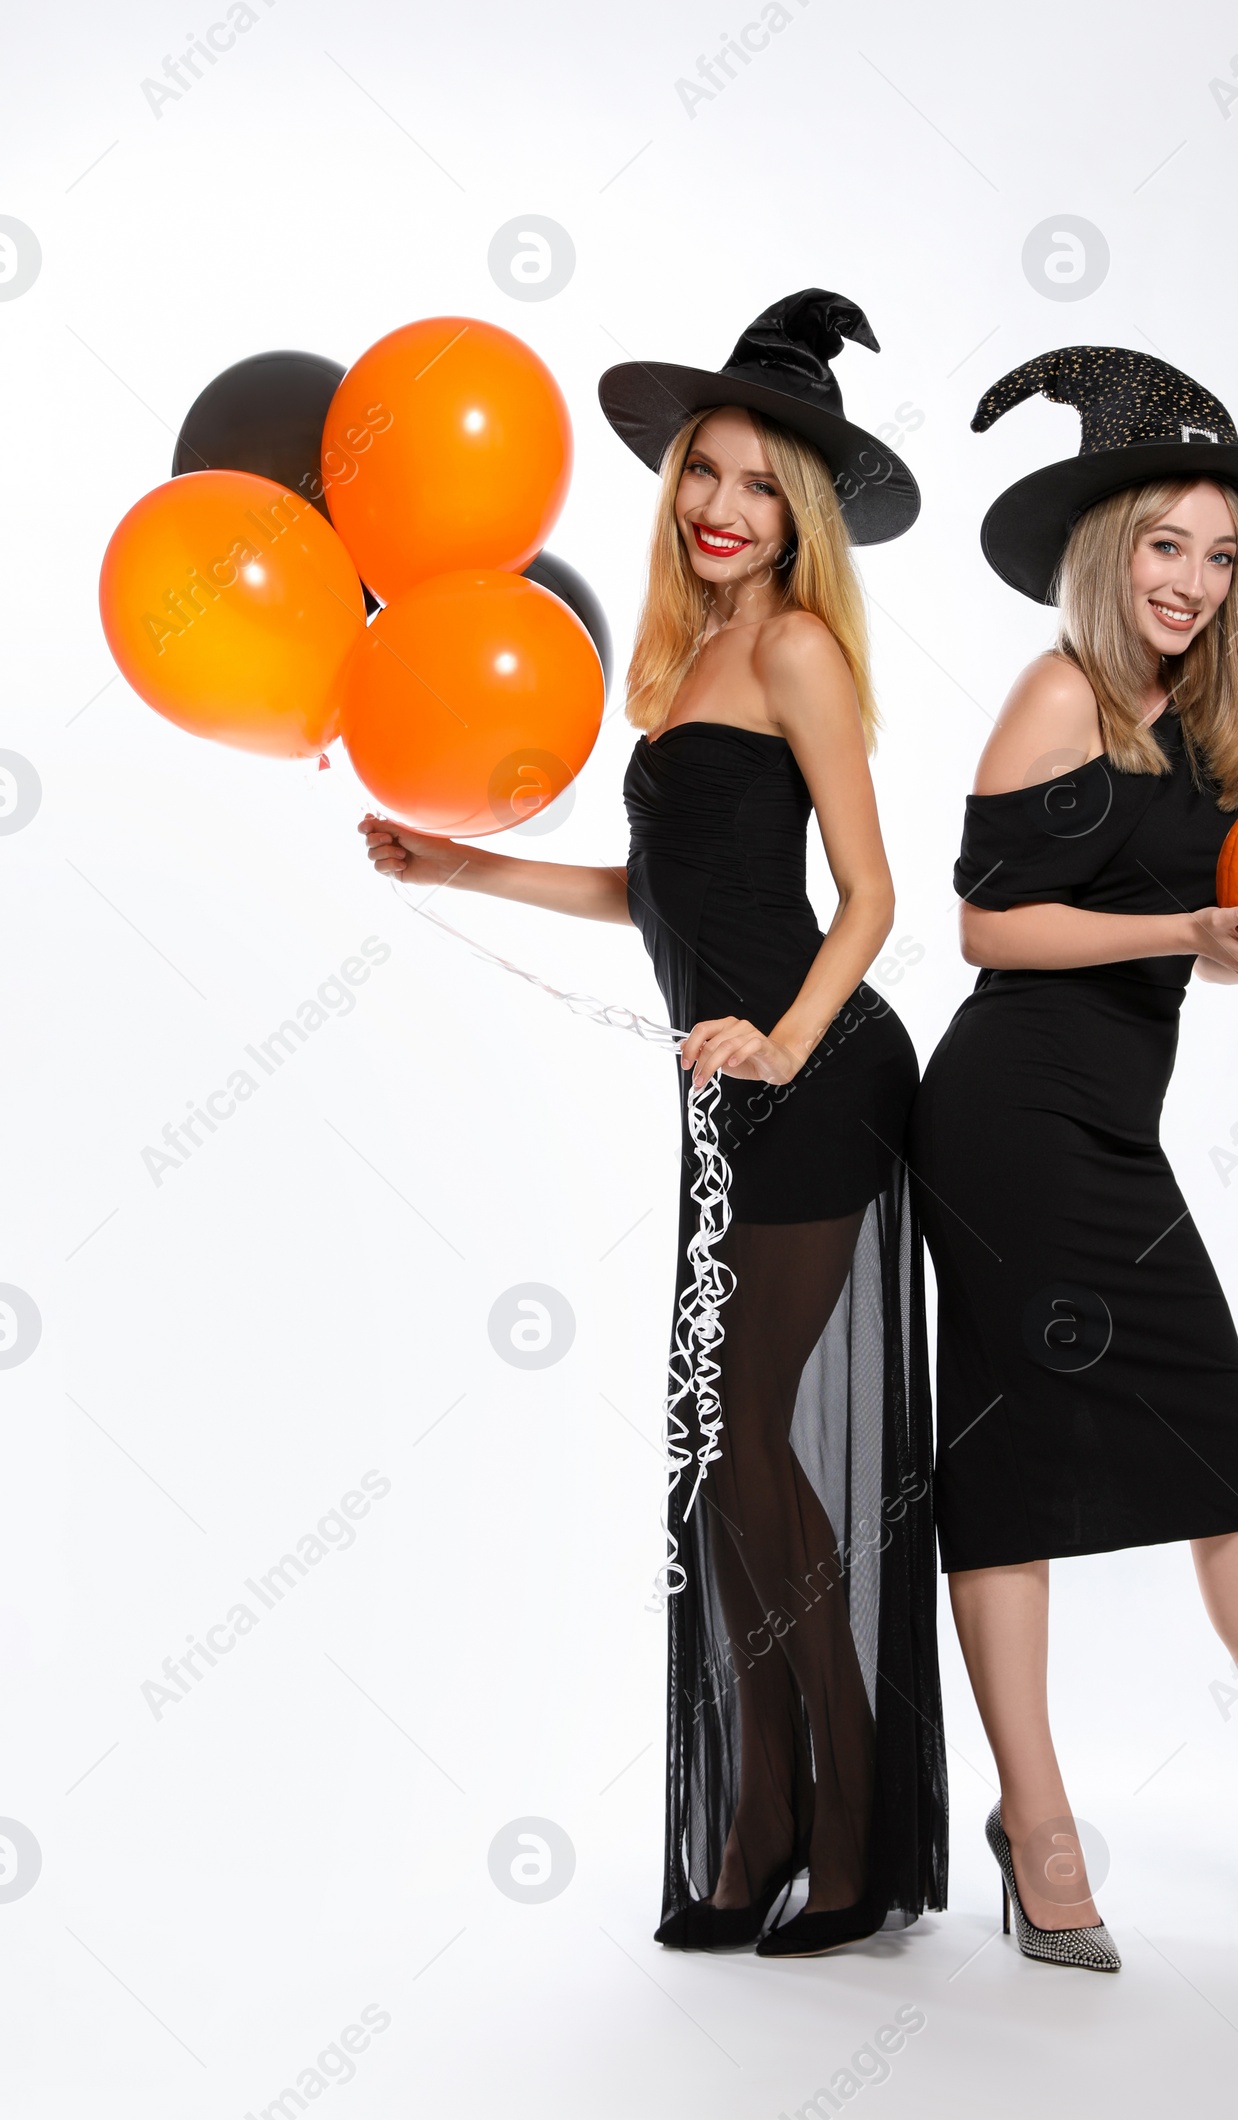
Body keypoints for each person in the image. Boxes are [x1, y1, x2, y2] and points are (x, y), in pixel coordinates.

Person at [360, 291, 947, 1957]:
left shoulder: (797, 649)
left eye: (763, 487)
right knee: (720, 1474)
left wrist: (782, 1042)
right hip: (726, 1091)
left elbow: (872, 894)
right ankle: (765, 1808)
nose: (725, 507)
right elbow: (663, 892)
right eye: (708, 470)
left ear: (801, 519)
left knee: (749, 1448)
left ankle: (840, 1830)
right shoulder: (683, 659)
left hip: (818, 1079)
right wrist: (459, 860)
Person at [908, 346, 1238, 1970]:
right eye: (1167, 546)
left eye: (1221, 557)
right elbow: (986, 924)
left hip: (1114, 1129)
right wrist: (1193, 924)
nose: (1195, 584)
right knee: (1008, 1471)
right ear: (1107, 546)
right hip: (1002, 1120)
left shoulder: (1234, 721)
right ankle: (1041, 1833)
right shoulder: (1055, 691)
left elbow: (1212, 945)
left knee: (1227, 1450)